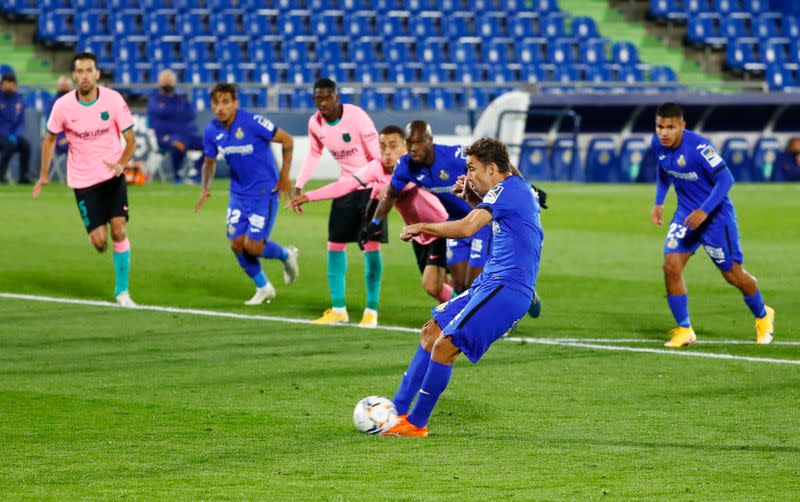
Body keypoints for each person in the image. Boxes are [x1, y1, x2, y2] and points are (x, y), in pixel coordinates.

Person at [381, 138, 544, 437]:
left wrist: (422, 225)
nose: (468, 174)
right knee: (431, 331)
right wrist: (471, 195)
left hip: (507, 288)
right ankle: (396, 409)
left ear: (492, 168)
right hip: (491, 283)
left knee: (445, 346)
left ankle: (416, 424)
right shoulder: (511, 192)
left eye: (472, 169)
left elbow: (467, 227)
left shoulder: (510, 190)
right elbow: (486, 218)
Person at [287, 125, 453, 313]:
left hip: (441, 228)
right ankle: (462, 310)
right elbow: (346, 185)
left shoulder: (413, 166)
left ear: (406, 147)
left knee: (433, 285)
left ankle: (465, 315)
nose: (387, 152)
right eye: (382, 146)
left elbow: (397, 188)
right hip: (418, 234)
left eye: (393, 146)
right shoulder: (376, 167)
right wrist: (308, 196)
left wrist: (384, 190)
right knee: (438, 287)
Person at [650, 102, 774, 348]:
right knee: (670, 266)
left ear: (682, 126)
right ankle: (685, 329)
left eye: (670, 127)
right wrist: (659, 202)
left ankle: (763, 314)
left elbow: (726, 178)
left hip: (716, 217)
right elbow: (663, 171)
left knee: (732, 274)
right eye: (659, 126)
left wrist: (704, 211)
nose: (664, 133)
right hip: (686, 215)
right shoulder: (658, 144)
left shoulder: (699, 147)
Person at [32, 52, 137, 306]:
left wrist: (122, 163)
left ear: (98, 74)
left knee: (119, 229)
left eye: (90, 70)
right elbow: (49, 139)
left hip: (112, 173)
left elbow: (131, 138)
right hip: (83, 180)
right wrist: (44, 175)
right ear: (74, 76)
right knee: (100, 243)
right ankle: (95, 232)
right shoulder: (63, 106)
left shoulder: (113, 100)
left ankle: (122, 292)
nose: (85, 76)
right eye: (80, 71)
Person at [194, 83, 298, 305]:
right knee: (236, 244)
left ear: (235, 103)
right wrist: (205, 188)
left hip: (264, 192)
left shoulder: (252, 122)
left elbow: (287, 139)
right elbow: (209, 162)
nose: (220, 107)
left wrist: (285, 175)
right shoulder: (212, 130)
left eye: (225, 102)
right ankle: (264, 288)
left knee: (253, 246)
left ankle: (286, 255)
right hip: (238, 194)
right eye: (215, 102)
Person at [293, 78, 384, 326]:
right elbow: (314, 152)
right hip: (345, 186)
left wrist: (379, 190)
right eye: (317, 98)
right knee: (334, 244)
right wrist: (300, 184)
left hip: (370, 187)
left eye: (326, 97)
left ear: (336, 97)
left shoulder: (357, 117)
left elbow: (378, 156)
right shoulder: (315, 123)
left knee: (370, 246)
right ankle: (339, 309)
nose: (321, 103)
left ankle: (371, 312)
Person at [364, 120, 492, 294]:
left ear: (429, 141)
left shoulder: (455, 155)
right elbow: (391, 195)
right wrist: (375, 223)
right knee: (460, 286)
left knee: (474, 284)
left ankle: (514, 304)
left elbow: (493, 161)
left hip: (481, 221)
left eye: (418, 142)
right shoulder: (405, 166)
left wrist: (525, 188)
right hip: (455, 224)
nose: (413, 147)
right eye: (409, 143)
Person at [147, 69, 204, 183]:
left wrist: (173, 113)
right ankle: (177, 174)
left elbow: (191, 115)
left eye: (170, 81)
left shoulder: (181, 98)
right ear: (159, 83)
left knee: (209, 144)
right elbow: (157, 119)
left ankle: (196, 173)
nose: (168, 84)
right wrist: (176, 113)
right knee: (179, 144)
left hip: (185, 134)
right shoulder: (155, 100)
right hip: (166, 137)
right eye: (165, 81)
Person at [0, 73, 31, 184]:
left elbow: (20, 121)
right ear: (1, 85)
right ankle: (1, 175)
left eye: (11, 84)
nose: (8, 86)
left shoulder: (19, 100)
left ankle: (23, 177)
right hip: (1, 135)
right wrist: (6, 135)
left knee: (26, 146)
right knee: (10, 145)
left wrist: (16, 135)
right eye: (5, 84)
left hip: (14, 135)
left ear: (15, 85)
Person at [46, 75, 72, 157]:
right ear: (57, 87)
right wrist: (59, 139)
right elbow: (50, 126)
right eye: (62, 86)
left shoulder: (77, 104)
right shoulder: (51, 104)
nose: (64, 89)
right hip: (59, 139)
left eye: (66, 87)